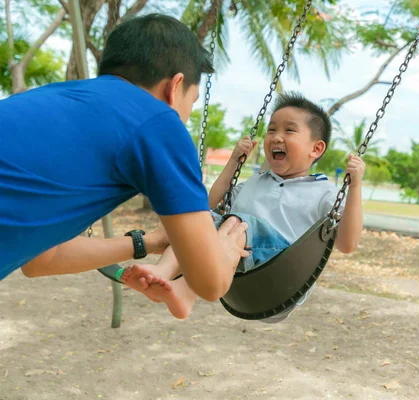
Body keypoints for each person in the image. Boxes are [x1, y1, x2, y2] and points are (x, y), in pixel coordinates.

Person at [0, 14, 248, 302]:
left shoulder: (50, 99)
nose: (186, 116)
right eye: (190, 102)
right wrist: (228, 248)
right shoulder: (159, 122)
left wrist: (148, 243)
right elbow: (210, 283)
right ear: (174, 87)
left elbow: (41, 259)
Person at [119, 92, 366, 322]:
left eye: (289, 130)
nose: (276, 136)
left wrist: (354, 187)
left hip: (282, 273)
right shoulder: (258, 181)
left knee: (238, 222)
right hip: (242, 270)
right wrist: (234, 162)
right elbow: (209, 204)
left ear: (316, 148)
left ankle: (186, 291)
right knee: (200, 220)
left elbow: (347, 244)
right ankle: (163, 272)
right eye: (272, 129)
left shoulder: (324, 193)